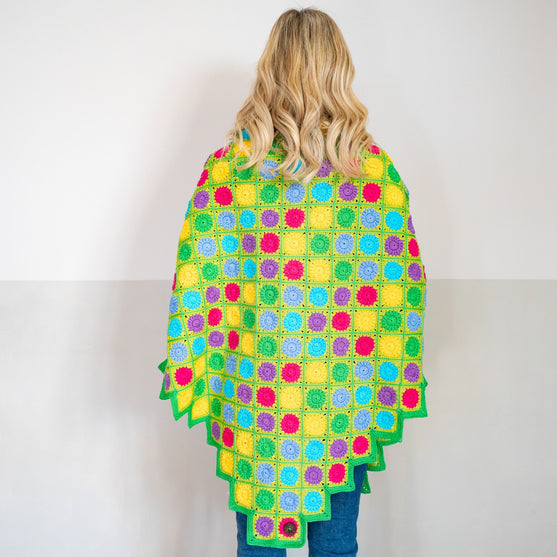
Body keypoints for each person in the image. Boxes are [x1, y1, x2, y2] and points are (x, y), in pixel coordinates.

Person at [156, 7, 428, 557]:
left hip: (258, 400)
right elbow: (404, 288)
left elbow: (198, 281)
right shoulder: (371, 175)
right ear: (338, 69)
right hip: (344, 400)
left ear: (270, 68)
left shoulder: (231, 172)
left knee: (258, 546)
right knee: (336, 544)